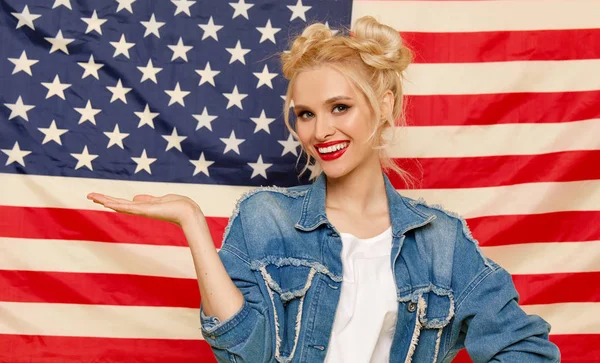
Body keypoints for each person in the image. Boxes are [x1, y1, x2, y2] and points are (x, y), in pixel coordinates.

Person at [87, 16, 561, 363]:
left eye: (340, 107)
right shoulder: (265, 217)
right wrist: (192, 222)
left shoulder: (441, 241)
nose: (320, 131)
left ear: (384, 104)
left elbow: (525, 349)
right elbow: (244, 352)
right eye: (306, 114)